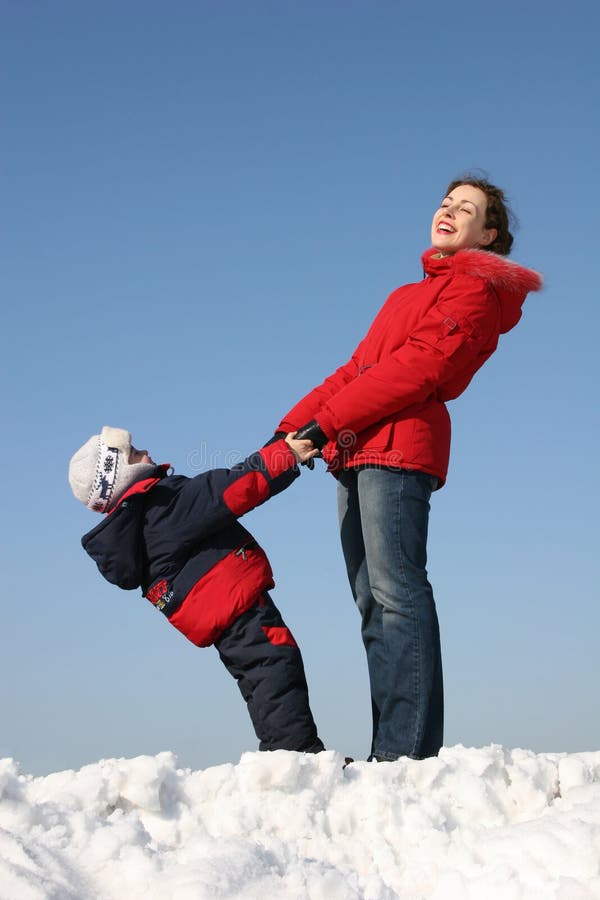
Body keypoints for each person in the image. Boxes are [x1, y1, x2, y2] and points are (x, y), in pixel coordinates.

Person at [275, 176, 543, 762]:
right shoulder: (404, 296)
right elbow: (357, 369)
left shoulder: (476, 291)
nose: (448, 211)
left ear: (489, 234)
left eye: (466, 208)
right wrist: (291, 427)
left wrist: (326, 425)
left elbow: (419, 370)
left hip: (399, 450)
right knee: (372, 603)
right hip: (353, 446)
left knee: (398, 594)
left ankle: (408, 757)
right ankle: (388, 751)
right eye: (446, 202)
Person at [68, 425, 324, 754]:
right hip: (235, 602)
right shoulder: (163, 504)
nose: (144, 451)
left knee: (258, 677)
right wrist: (286, 456)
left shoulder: (135, 527)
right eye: (134, 453)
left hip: (217, 612)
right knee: (275, 666)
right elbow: (232, 488)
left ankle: (285, 755)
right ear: (119, 475)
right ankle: (300, 756)